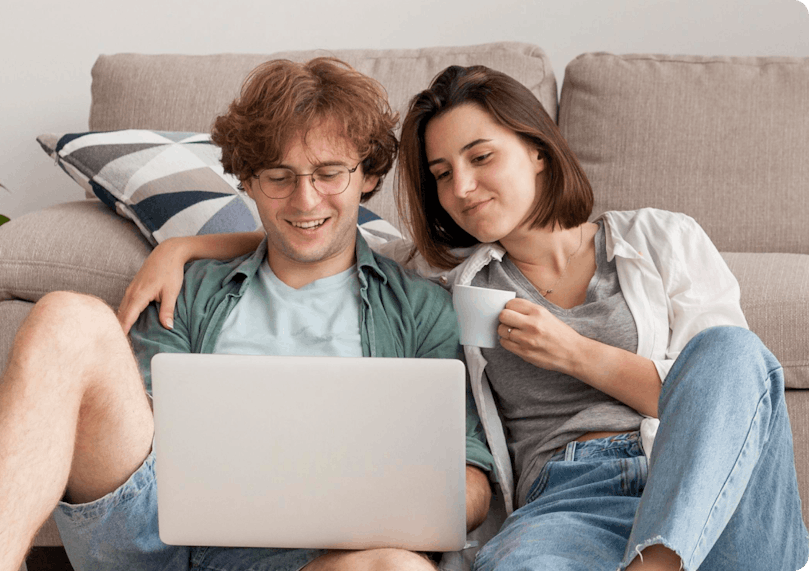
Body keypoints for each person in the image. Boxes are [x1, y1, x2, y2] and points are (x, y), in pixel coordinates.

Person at [115, 64, 809, 571]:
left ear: (537, 148)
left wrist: (575, 353)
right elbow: (317, 225)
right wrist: (186, 245)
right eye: (443, 173)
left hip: (705, 486)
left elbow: (732, 398)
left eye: (482, 157)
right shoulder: (446, 278)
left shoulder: (663, 239)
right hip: (566, 505)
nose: (464, 187)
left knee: (730, 351)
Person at [0, 57, 496, 571]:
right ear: (247, 182)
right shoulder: (191, 288)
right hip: (156, 534)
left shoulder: (422, 308)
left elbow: (472, 477)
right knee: (67, 316)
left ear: (368, 175)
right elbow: (137, 434)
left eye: (330, 173)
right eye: (278, 177)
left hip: (317, 557)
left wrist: (378, 509)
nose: (305, 199)